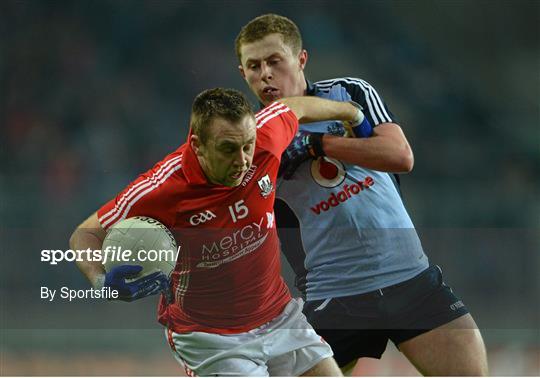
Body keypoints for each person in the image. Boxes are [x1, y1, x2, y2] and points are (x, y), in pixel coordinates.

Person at [235, 14, 488, 376]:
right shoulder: (252, 139)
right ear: (243, 73)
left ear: (301, 59)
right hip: (333, 298)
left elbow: (400, 156)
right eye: (254, 66)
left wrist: (316, 145)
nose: (266, 74)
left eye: (275, 61)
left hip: (411, 280)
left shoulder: (347, 92)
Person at [70, 87, 366, 376]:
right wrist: (101, 281)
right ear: (198, 145)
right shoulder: (162, 189)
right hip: (210, 339)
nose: (242, 160)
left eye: (247, 145)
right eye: (228, 148)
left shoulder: (266, 138)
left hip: (278, 316)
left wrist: (352, 113)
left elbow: (294, 107)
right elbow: (85, 235)